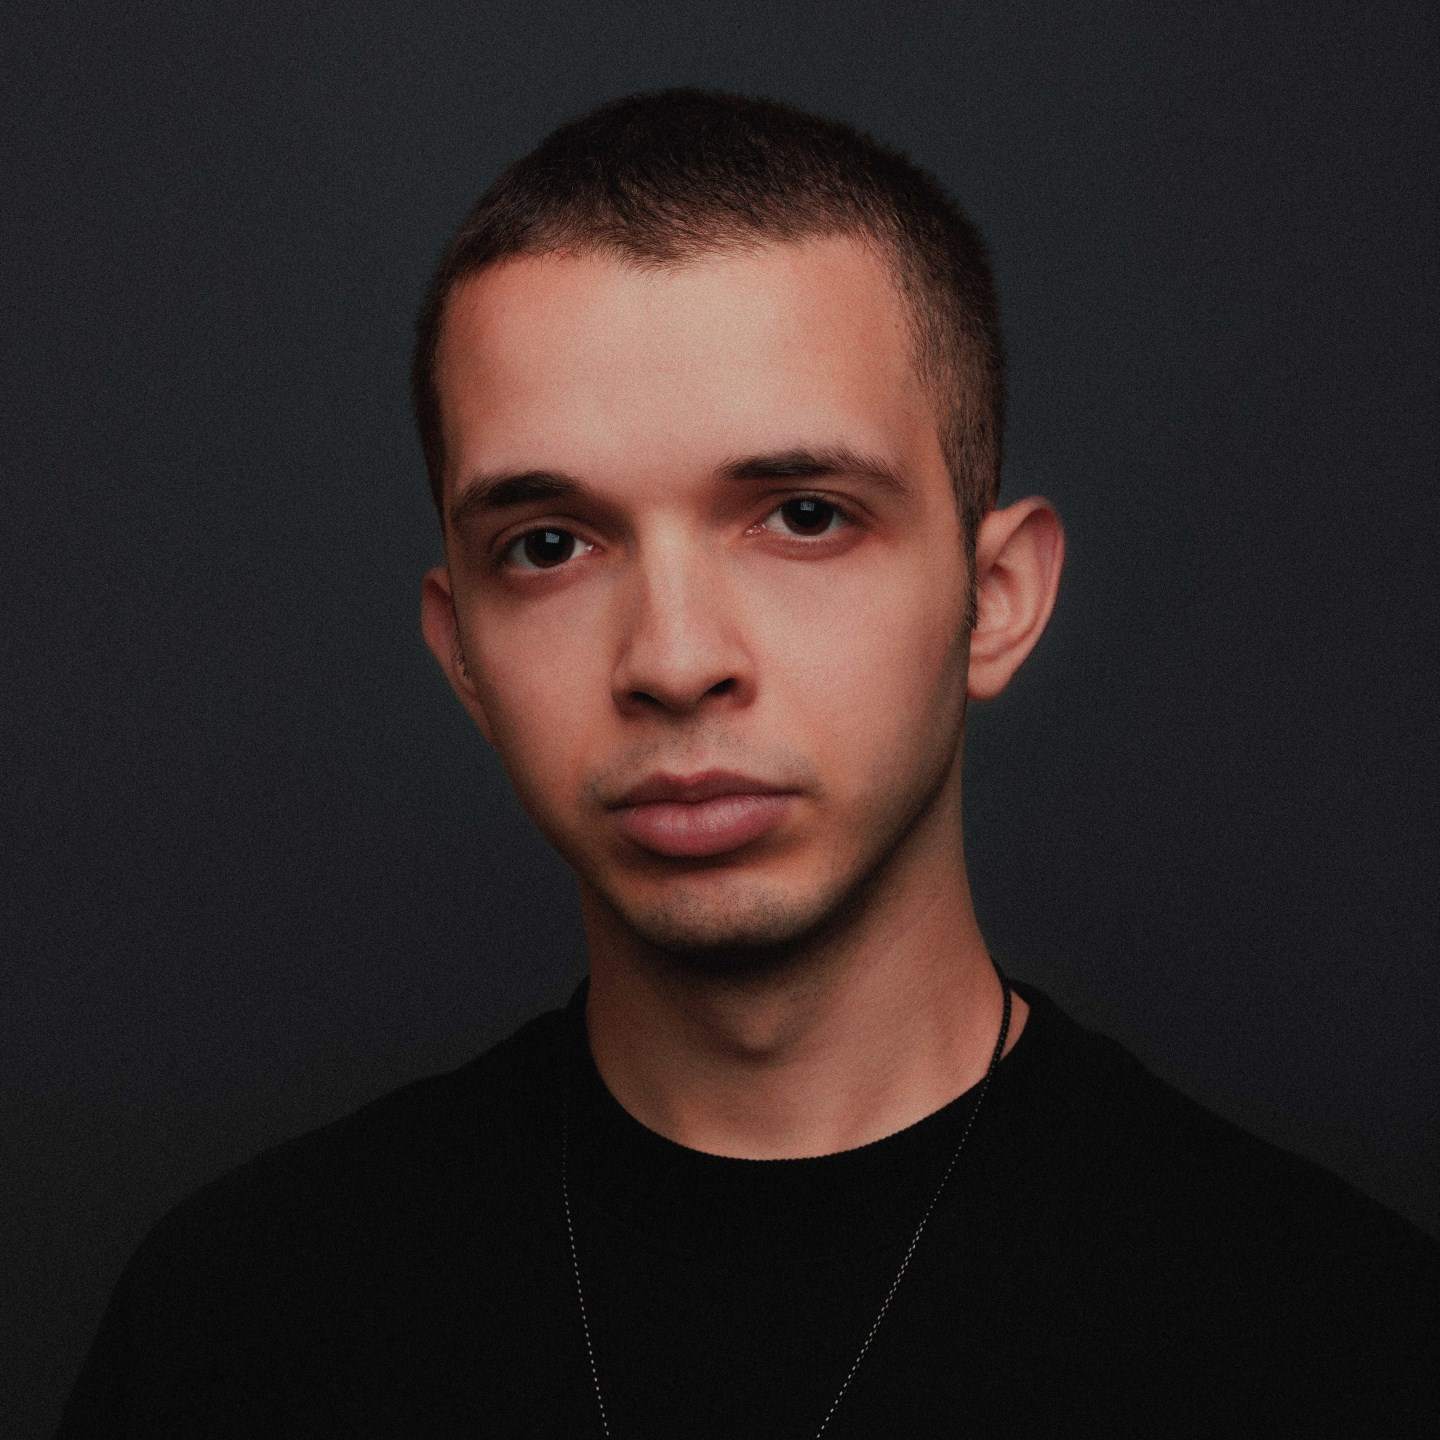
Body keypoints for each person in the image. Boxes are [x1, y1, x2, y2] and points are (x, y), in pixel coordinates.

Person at [58, 87, 1436, 1439]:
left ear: (997, 597)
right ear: (462, 650)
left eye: (804, 516)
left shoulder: (1345, 1345)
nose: (673, 658)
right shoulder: (234, 1327)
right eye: (549, 545)